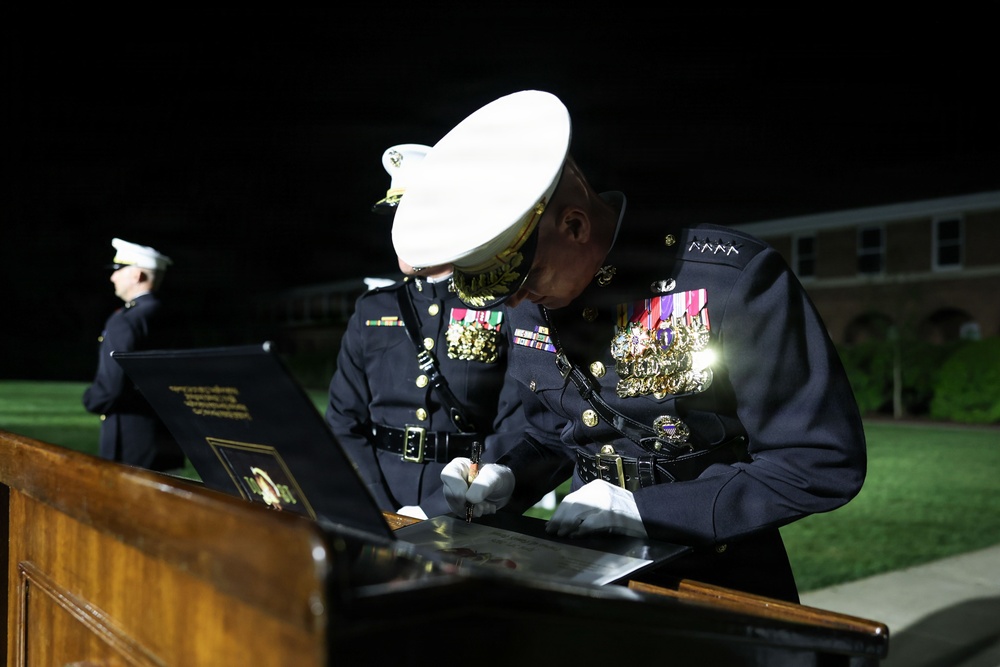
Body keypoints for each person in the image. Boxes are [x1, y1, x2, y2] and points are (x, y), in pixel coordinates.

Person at [390, 90, 867, 602]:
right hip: (584, 566)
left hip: (713, 578)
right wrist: (507, 474)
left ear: (574, 225)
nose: (520, 301)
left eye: (525, 280)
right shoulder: (534, 293)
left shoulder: (728, 280)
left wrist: (645, 512)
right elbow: (551, 430)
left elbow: (819, 461)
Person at [325, 144, 557, 520]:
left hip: (462, 502)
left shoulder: (504, 307)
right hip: (374, 499)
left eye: (413, 217)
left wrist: (438, 510)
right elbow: (342, 420)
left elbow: (518, 423)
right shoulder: (373, 309)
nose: (399, 231)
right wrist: (379, 508)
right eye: (395, 218)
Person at [83, 238, 186, 471]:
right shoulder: (172, 317)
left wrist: (90, 399)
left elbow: (111, 389)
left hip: (130, 438)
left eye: (119, 269)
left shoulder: (126, 321)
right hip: (166, 436)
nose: (112, 277)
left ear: (137, 275)